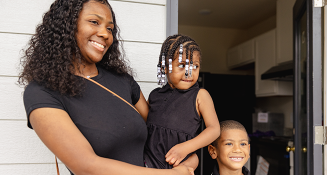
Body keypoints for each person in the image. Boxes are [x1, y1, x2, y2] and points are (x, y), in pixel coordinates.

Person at [18, 0, 195, 175]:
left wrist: (190, 158)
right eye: (94, 22)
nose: (105, 34)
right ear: (67, 24)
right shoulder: (42, 92)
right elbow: (86, 166)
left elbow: (163, 133)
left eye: (110, 28)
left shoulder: (122, 80)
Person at [143, 34, 221, 169]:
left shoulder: (200, 95)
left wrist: (185, 148)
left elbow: (214, 129)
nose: (189, 73)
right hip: (147, 165)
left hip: (177, 167)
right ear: (165, 67)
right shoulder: (155, 95)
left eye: (195, 66)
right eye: (182, 65)